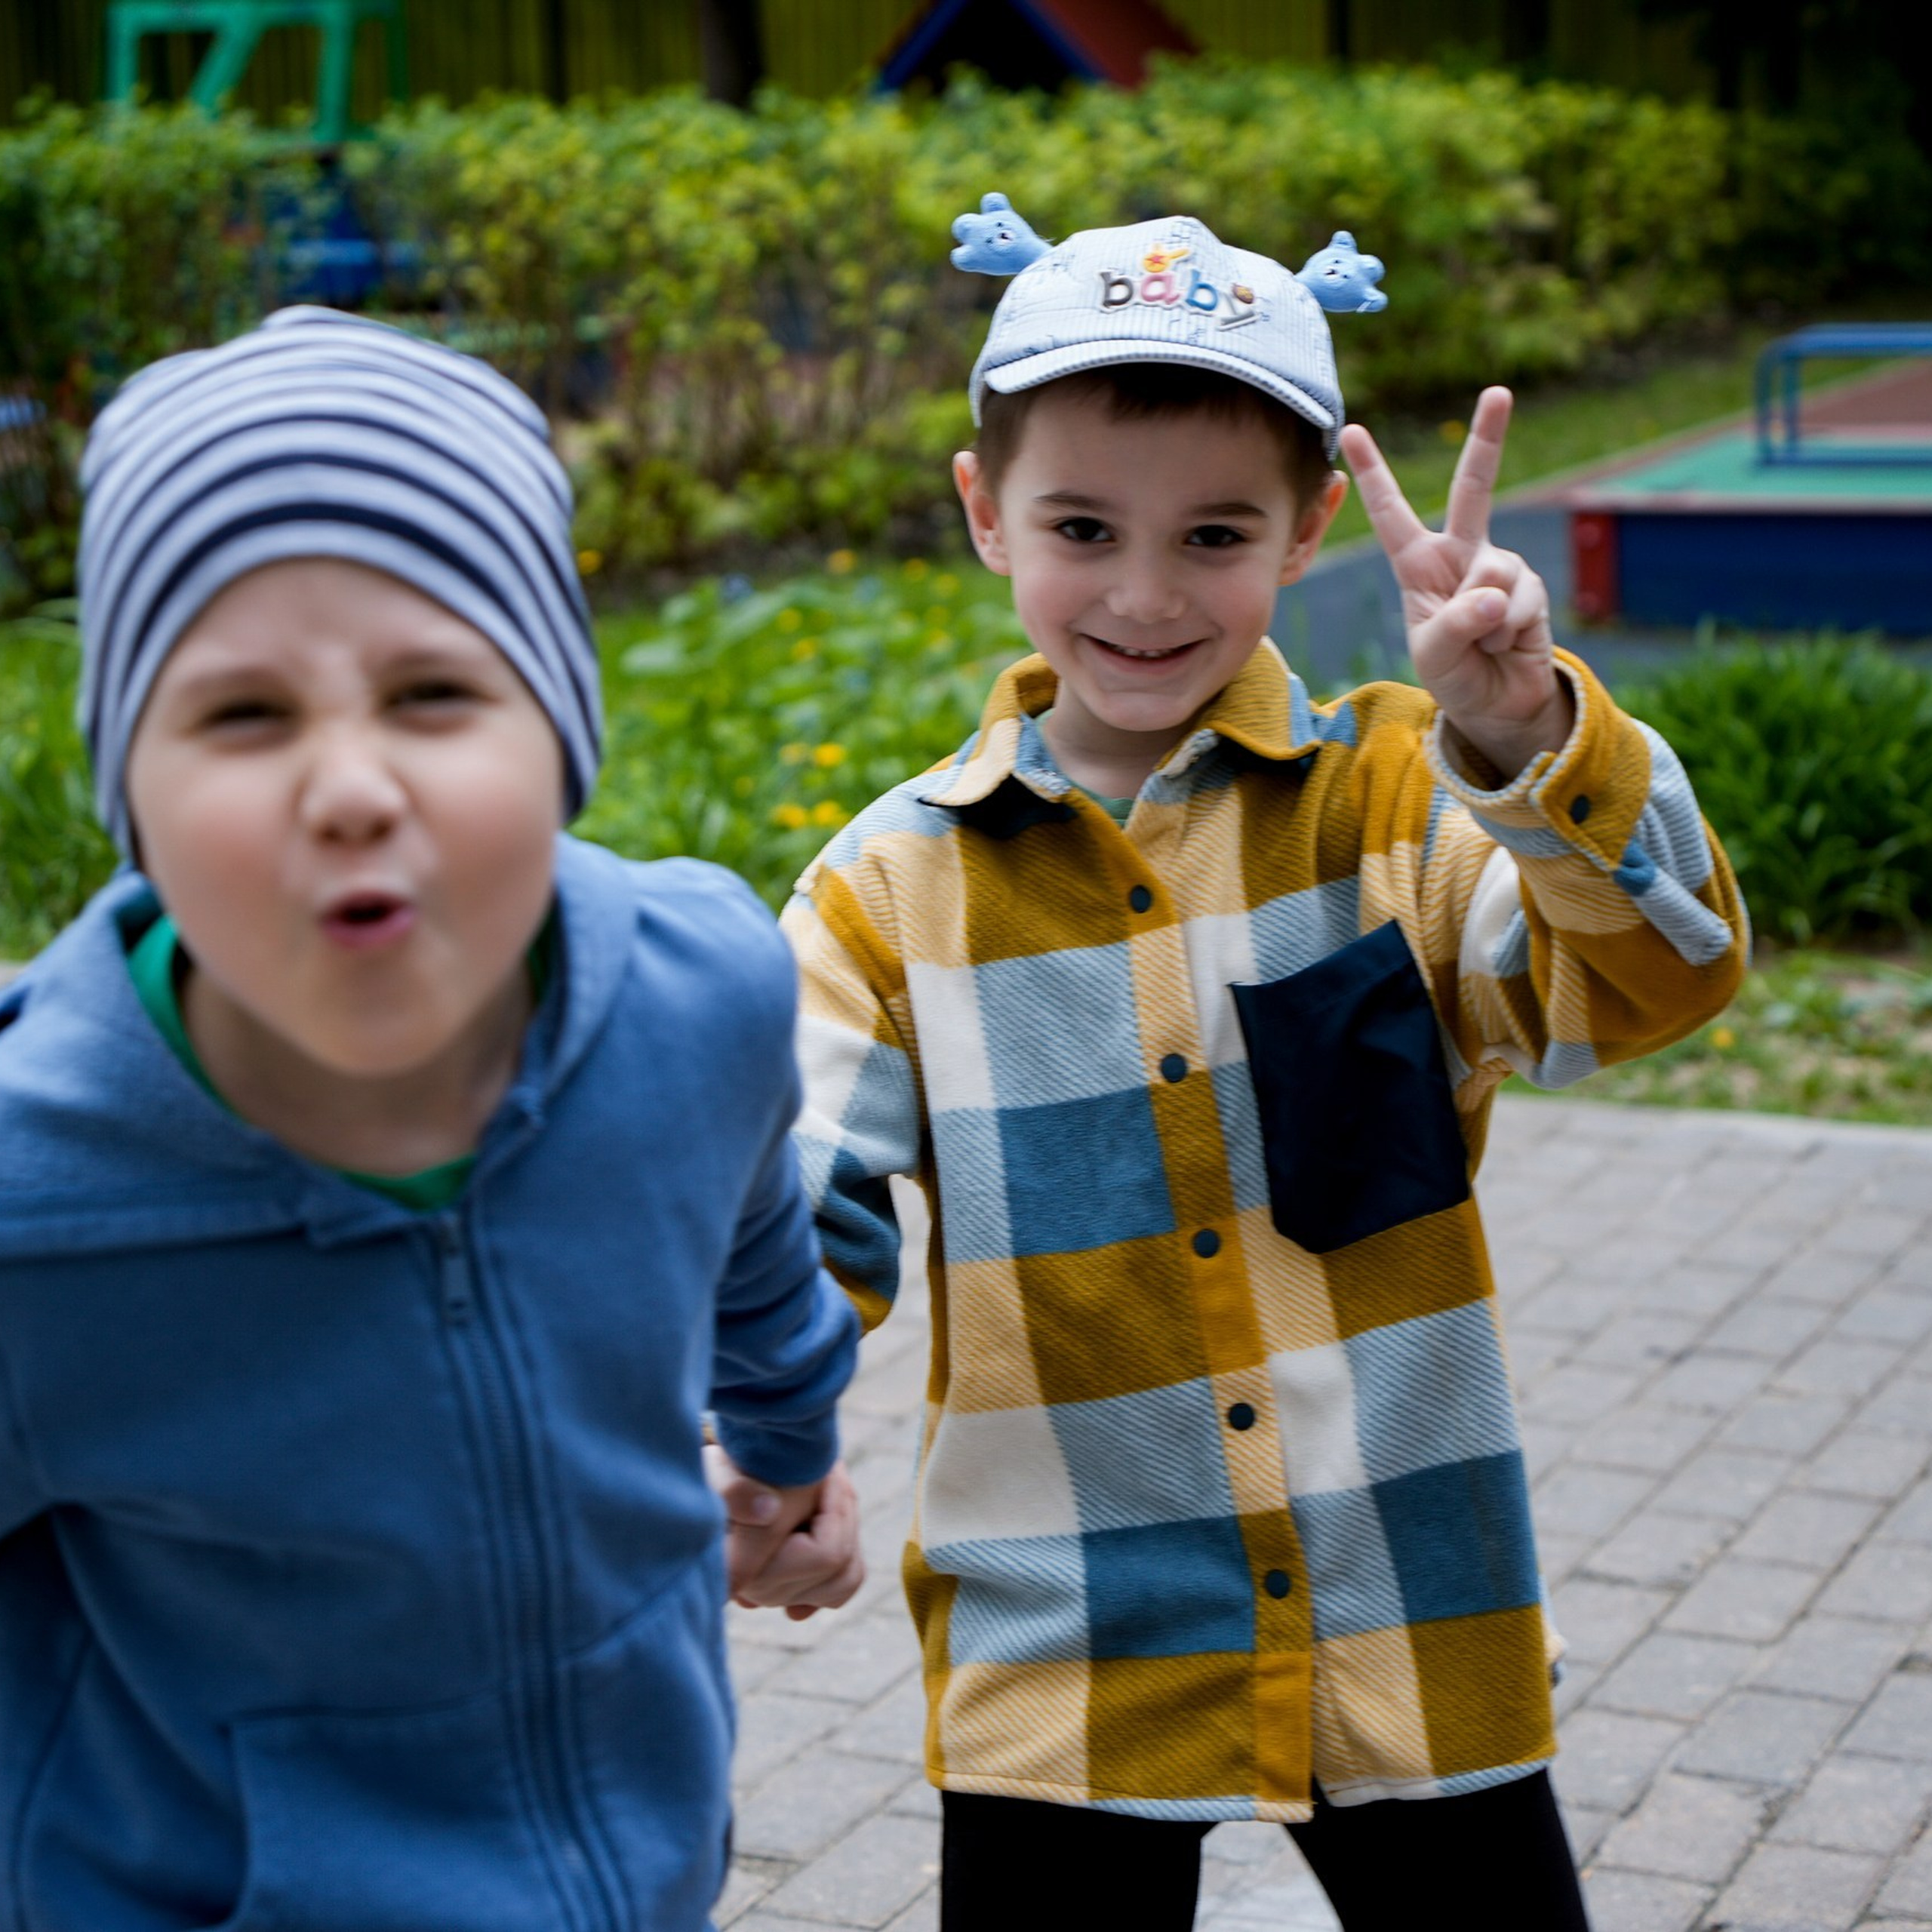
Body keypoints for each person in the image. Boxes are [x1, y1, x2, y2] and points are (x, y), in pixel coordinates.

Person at [774, 209, 1749, 1927]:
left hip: (1404, 1598)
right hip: (1062, 1635)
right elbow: (799, 1200)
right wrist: (747, 1426)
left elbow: (1649, 983)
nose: (1144, 594)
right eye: (1081, 527)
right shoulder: (885, 888)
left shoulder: (1401, 802)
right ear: (983, 508)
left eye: (1211, 533)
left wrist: (1525, 743)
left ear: (1302, 531)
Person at [0, 306, 863, 1932]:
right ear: (132, 790)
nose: (347, 784)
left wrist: (793, 1441)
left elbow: (753, 1233)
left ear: (560, 733)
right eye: (243, 715)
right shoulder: (38, 1204)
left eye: (433, 690)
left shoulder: (703, 990)